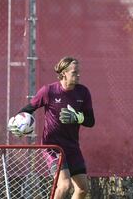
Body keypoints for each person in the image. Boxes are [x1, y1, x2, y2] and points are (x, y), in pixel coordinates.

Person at [8, 56, 95, 199]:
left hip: (72, 147)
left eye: (78, 72)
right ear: (64, 73)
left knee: (82, 189)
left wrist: (78, 117)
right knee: (65, 185)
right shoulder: (49, 91)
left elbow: (91, 121)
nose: (78, 75)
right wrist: (17, 123)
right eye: (74, 72)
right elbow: (28, 109)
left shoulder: (83, 92)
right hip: (52, 146)